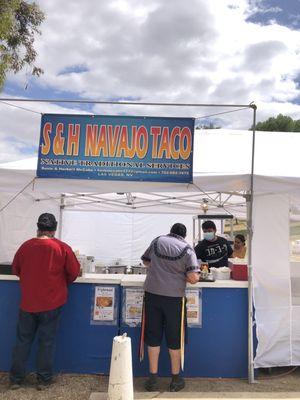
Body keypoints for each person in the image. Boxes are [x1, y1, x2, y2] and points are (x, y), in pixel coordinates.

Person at [9, 213, 80, 391]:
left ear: (38, 228)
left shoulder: (25, 246)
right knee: (46, 342)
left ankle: (16, 379)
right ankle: (43, 380)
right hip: (51, 302)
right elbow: (73, 272)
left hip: (28, 302)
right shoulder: (61, 247)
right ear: (54, 229)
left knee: (23, 341)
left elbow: (16, 268)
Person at [141, 223, 200, 393]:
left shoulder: (157, 241)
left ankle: (152, 380)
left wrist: (160, 269)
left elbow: (146, 261)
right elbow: (193, 277)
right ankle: (175, 380)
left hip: (152, 295)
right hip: (174, 299)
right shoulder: (187, 249)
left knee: (153, 336)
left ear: (170, 231)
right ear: (184, 235)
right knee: (175, 338)